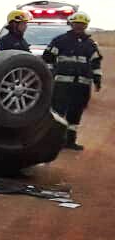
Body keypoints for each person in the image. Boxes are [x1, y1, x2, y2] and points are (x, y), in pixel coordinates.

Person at [43, 12, 102, 150]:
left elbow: (96, 64)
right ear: (71, 24)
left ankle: (70, 141)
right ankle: (53, 141)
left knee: (76, 113)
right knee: (58, 112)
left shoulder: (90, 44)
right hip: (62, 85)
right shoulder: (60, 41)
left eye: (82, 24)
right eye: (77, 24)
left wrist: (97, 80)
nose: (79, 27)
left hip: (82, 85)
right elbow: (47, 58)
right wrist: (51, 74)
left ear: (86, 25)